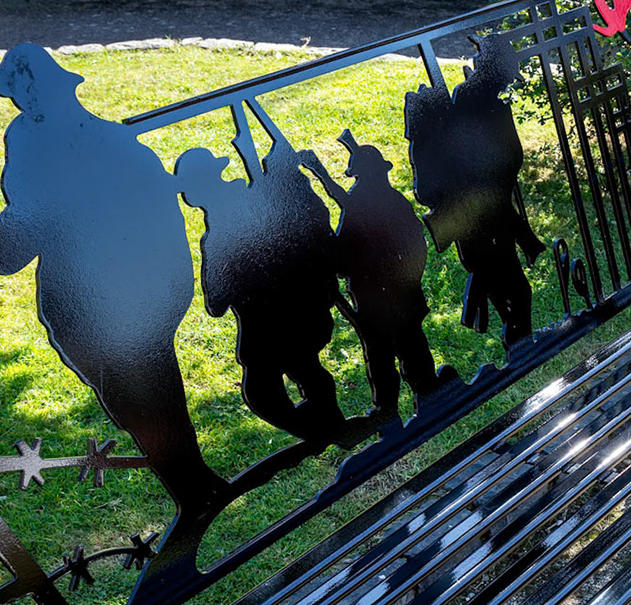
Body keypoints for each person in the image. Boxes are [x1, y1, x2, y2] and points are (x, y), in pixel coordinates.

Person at [0, 42, 226, 517]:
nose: (20, 102)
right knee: (149, 395)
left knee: (138, 398)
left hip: (104, 304)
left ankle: (194, 489)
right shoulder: (112, 138)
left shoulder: (36, 143)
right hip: (140, 298)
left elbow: (15, 245)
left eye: (23, 92)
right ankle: (197, 484)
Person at [176, 101, 349, 444]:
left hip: (273, 328)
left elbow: (216, 303)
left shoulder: (220, 232)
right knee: (307, 371)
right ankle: (329, 429)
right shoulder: (254, 197)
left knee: (263, 391)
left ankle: (320, 432)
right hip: (299, 315)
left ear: (194, 195)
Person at [298, 131, 456, 419]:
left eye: (358, 177)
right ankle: (396, 404)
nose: (357, 183)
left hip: (386, 298)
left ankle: (410, 399)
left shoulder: (374, 204)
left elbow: (344, 226)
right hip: (387, 298)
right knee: (392, 352)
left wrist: (318, 169)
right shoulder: (382, 202)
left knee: (395, 352)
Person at [403, 32, 546, 346]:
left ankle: (516, 342)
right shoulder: (475, 105)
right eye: (505, 75)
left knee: (510, 289)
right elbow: (484, 164)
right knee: (515, 293)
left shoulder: (482, 103)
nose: (506, 83)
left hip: (493, 215)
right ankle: (520, 350)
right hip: (479, 218)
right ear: (495, 72)